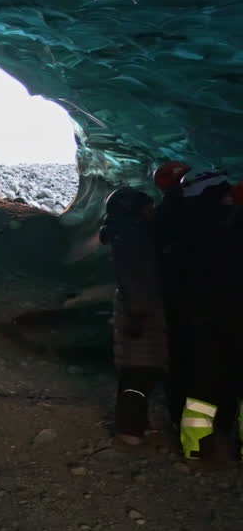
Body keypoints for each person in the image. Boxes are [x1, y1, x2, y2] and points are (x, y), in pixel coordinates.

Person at [171, 169, 238, 461]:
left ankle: (196, 445)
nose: (228, 195)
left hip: (198, 316)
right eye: (223, 190)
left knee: (201, 381)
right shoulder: (227, 225)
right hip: (230, 314)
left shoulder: (183, 224)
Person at [99, 187, 166, 444]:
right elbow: (135, 277)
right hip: (139, 308)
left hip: (141, 306)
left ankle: (137, 421)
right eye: (147, 207)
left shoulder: (128, 234)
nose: (152, 212)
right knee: (137, 367)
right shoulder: (132, 237)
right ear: (133, 210)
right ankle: (129, 427)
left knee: (143, 365)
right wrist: (138, 313)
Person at [152, 160, 193, 428]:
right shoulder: (183, 211)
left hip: (176, 294)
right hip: (187, 295)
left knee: (178, 356)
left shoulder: (163, 212)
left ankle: (180, 414)